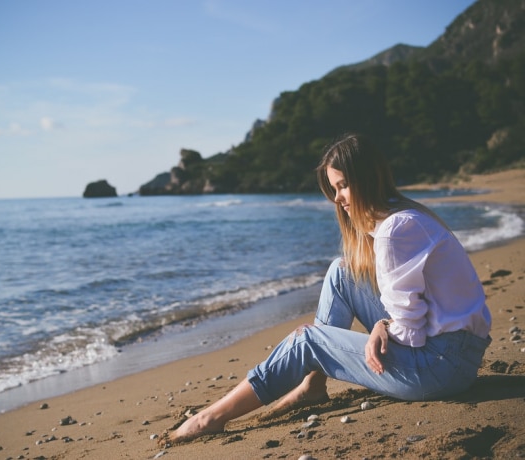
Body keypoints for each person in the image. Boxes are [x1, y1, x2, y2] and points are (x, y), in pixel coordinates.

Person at [161, 133, 492, 446]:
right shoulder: (405, 216)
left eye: (344, 186)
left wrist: (384, 325)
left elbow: (411, 334)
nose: (337, 198)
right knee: (341, 271)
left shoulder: (394, 231)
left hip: (440, 368)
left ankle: (211, 417)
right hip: (454, 354)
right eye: (335, 188)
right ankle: (312, 386)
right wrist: (387, 325)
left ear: (367, 179)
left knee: (307, 341)